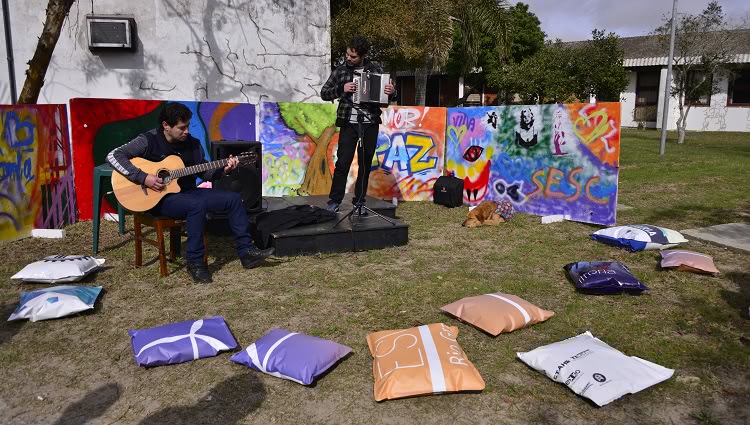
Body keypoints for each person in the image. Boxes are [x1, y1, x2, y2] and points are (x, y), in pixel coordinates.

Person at [106, 102, 274, 283]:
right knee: (196, 205)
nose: (186, 131)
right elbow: (113, 156)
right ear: (166, 126)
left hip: (188, 192)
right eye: (181, 128)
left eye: (187, 126)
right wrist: (143, 177)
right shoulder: (148, 140)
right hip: (160, 199)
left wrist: (224, 169)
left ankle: (246, 252)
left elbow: (205, 173)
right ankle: (195, 263)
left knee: (233, 199)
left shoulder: (193, 144)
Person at [321, 35, 397, 213]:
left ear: (363, 55)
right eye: (347, 54)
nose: (348, 58)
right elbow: (324, 93)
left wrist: (392, 92)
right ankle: (334, 201)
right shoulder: (341, 71)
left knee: (365, 164)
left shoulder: (376, 70)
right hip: (348, 123)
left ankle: (360, 202)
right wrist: (342, 89)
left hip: (369, 123)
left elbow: (387, 98)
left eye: (352, 56)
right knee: (343, 163)